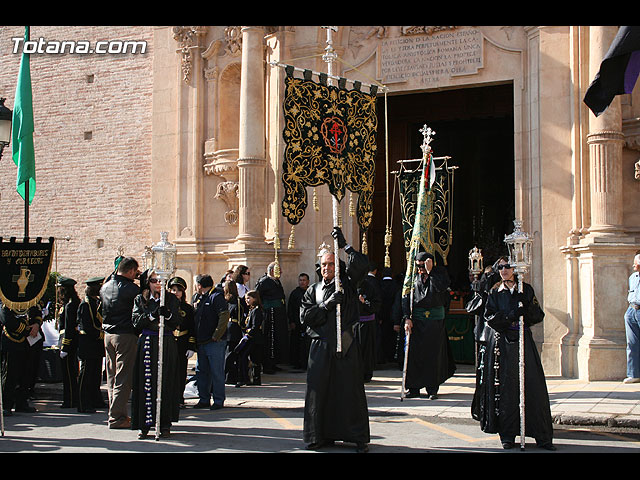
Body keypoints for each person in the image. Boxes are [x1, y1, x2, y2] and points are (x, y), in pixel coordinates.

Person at [471, 256, 555, 450]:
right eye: (500, 267)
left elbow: (537, 315)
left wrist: (525, 307)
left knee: (533, 388)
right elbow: (490, 317)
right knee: (506, 391)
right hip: (503, 345)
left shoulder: (525, 290)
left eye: (508, 267)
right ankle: (507, 435)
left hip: (523, 343)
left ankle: (542, 436)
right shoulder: (494, 292)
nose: (504, 270)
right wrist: (510, 316)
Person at [300, 227, 370, 453]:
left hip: (345, 344)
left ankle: (357, 437)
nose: (327, 268)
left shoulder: (347, 285)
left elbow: (362, 264)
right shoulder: (314, 290)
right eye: (323, 265)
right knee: (319, 391)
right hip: (320, 346)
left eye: (331, 264)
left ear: (338, 266)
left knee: (349, 391)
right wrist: (326, 305)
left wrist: (345, 245)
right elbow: (305, 317)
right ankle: (319, 435)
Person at [131, 269, 181, 438]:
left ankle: (164, 423)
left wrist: (167, 316)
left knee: (165, 381)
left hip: (166, 341)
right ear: (148, 282)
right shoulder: (141, 299)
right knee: (146, 383)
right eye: (153, 280)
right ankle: (143, 424)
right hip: (147, 342)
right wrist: (152, 316)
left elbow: (176, 322)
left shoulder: (171, 299)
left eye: (160, 280)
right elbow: (136, 322)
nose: (157, 283)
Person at [401, 251, 456, 399]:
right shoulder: (413, 278)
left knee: (433, 355)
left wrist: (431, 272)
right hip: (417, 321)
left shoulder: (439, 274)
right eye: (418, 266)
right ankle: (413, 388)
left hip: (434, 322)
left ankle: (432, 389)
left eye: (422, 266)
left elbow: (441, 288)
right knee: (415, 355)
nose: (420, 270)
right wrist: (407, 317)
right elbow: (406, 296)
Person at [100, 256, 140, 429]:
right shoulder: (132, 289)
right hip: (125, 334)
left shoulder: (105, 286)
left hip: (108, 334)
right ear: (131, 271)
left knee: (111, 376)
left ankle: (115, 412)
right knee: (123, 377)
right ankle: (116, 417)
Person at [192, 274, 229, 410]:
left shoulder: (216, 297)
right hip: (202, 341)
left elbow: (224, 316)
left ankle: (218, 400)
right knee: (201, 371)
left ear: (200, 285)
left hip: (214, 342)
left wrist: (217, 334)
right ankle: (204, 399)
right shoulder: (200, 298)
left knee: (216, 372)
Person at [0, 304, 40, 415]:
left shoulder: (30, 302)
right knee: (10, 374)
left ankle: (22, 402)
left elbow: (37, 314)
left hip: (27, 342)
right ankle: (6, 405)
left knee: (26, 373)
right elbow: (7, 320)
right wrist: (27, 329)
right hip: (12, 342)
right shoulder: (6, 302)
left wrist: (37, 324)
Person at [77, 276, 107, 413]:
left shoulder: (96, 303)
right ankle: (83, 403)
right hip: (88, 343)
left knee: (96, 374)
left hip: (96, 345)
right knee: (86, 374)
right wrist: (101, 335)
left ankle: (96, 400)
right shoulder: (85, 304)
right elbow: (87, 326)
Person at [168, 276, 196, 407]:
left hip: (182, 342)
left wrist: (191, 346)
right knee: (168, 371)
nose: (176, 292)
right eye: (173, 289)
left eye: (179, 290)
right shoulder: (165, 306)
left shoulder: (187, 308)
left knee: (180, 372)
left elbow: (192, 327)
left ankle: (179, 398)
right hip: (169, 341)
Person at [256, 262, 288, 373]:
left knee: (276, 339)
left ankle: (274, 362)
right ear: (271, 271)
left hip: (278, 314)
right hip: (269, 314)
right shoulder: (264, 281)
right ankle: (267, 365)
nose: (281, 272)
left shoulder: (276, 281)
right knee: (269, 339)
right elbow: (258, 297)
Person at [356, 262, 382, 382]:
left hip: (367, 323)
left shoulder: (371, 286)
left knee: (367, 350)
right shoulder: (351, 286)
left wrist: (364, 303)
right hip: (354, 325)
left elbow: (376, 304)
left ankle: (366, 373)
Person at [58, 276, 81, 409]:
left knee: (69, 374)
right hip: (68, 342)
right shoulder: (68, 304)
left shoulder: (71, 305)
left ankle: (71, 400)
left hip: (69, 343)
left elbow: (68, 327)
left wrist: (65, 347)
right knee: (69, 373)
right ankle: (70, 399)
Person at [235, 289, 265, 386]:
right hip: (251, 338)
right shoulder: (251, 310)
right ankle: (251, 378)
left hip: (254, 339)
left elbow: (255, 326)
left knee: (250, 358)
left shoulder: (257, 310)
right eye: (246, 298)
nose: (247, 300)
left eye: (249, 298)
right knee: (252, 358)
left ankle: (251, 379)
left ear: (255, 298)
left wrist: (248, 335)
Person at [224, 279, 246, 386]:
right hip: (233, 328)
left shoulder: (226, 300)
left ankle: (229, 376)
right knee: (232, 353)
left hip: (228, 328)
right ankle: (228, 375)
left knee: (229, 353)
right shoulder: (238, 300)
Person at [287, 273, 310, 371]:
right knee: (296, 344)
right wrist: (291, 321)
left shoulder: (311, 291)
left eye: (304, 280)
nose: (302, 282)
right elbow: (290, 308)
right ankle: (296, 362)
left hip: (308, 323)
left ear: (308, 281)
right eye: (300, 280)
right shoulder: (294, 293)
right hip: (296, 322)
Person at [624, 253, 640, 384]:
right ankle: (633, 373)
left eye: (635, 262)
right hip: (631, 310)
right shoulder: (632, 277)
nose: (633, 265)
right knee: (632, 343)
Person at [378, 268, 399, 365]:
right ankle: (391, 356)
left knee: (382, 336)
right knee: (392, 337)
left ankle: (382, 356)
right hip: (393, 315)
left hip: (382, 315)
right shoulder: (396, 286)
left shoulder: (379, 284)